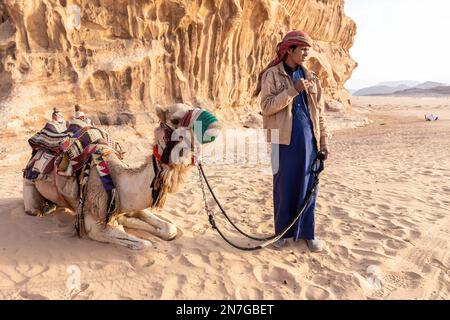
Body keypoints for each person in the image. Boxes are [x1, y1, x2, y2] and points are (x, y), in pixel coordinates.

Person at [255, 30, 330, 252]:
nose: (307, 53)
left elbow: (321, 114)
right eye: (303, 49)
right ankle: (281, 234)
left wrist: (324, 142)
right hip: (281, 140)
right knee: (283, 187)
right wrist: (292, 90)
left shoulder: (312, 77)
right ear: (289, 50)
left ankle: (307, 234)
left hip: (309, 140)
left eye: (308, 48)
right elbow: (267, 106)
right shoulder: (272, 75)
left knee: (309, 186)